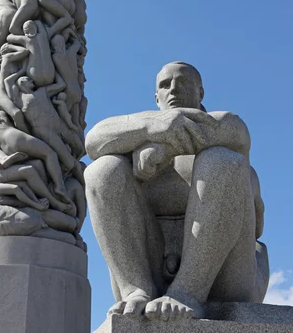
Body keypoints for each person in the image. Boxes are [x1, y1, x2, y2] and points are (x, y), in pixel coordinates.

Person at [85, 62, 269, 321]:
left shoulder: (225, 126)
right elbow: (93, 141)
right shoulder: (139, 129)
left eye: (183, 83)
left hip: (224, 274)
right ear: (156, 97)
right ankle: (136, 289)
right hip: (152, 265)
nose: (173, 89)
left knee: (222, 161)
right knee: (102, 170)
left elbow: (236, 131)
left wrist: (162, 145)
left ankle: (188, 291)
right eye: (165, 84)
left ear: (200, 93)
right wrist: (151, 127)